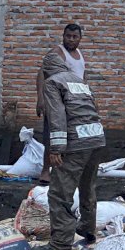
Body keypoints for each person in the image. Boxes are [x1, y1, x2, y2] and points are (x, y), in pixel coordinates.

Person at [33, 51, 104, 250]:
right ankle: (88, 231)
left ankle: (61, 244)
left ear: (47, 70)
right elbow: (94, 108)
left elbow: (56, 116)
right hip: (97, 138)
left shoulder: (52, 82)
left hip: (76, 142)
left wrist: (56, 148)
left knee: (59, 194)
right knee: (87, 187)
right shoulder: (78, 80)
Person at [36, 24, 86, 185]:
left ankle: (64, 171)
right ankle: (45, 172)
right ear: (63, 36)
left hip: (75, 103)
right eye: (68, 36)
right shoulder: (57, 53)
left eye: (74, 37)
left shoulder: (79, 54)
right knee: (52, 136)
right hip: (57, 102)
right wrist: (41, 99)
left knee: (71, 137)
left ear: (80, 38)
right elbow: (41, 74)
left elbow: (82, 77)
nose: (71, 39)